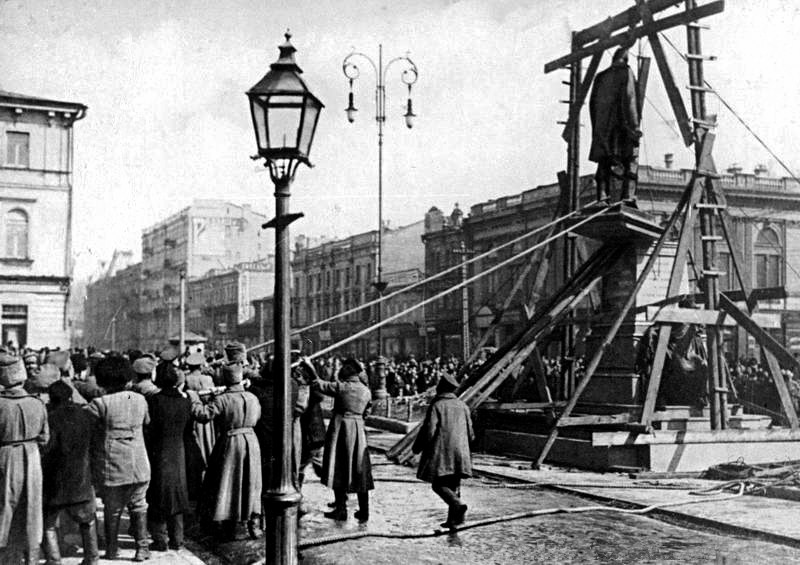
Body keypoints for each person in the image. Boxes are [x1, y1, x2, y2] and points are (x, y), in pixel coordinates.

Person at [84, 355, 151, 561]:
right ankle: (142, 548)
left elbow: (86, 427)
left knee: (113, 509)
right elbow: (146, 422)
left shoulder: (99, 403)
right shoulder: (138, 398)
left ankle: (112, 549)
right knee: (139, 504)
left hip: (112, 464)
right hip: (139, 462)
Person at [189, 362, 262, 540]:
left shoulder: (222, 399)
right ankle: (253, 521)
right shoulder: (252, 397)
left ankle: (228, 523)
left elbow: (203, 416)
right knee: (250, 480)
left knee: (228, 481)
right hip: (251, 441)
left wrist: (194, 399)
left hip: (231, 441)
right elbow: (258, 416)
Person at [41, 379, 99, 565]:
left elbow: (48, 448)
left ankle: (54, 560)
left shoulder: (50, 417)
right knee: (87, 520)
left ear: (52, 398)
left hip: (56, 478)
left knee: (49, 523)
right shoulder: (86, 415)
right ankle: (92, 558)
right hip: (81, 475)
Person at [311, 357, 374, 522]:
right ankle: (364, 511)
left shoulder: (341, 387)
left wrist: (309, 366)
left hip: (340, 429)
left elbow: (318, 384)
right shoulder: (366, 390)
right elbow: (368, 412)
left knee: (337, 467)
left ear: (346, 371)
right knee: (361, 471)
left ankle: (341, 510)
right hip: (359, 430)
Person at [0, 353, 49, 564]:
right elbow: (45, 438)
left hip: (5, 456)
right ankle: (31, 557)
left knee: (5, 506)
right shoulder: (37, 403)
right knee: (31, 508)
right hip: (32, 457)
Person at [412, 372, 474, 528]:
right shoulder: (463, 406)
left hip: (444, 452)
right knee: (454, 485)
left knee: (438, 485)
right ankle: (454, 520)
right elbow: (471, 434)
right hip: (461, 453)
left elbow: (429, 431)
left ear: (441, 388)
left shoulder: (437, 406)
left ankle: (457, 505)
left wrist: (417, 448)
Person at [145, 363, 191, 551]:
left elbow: (149, 427)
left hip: (158, 451)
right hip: (178, 450)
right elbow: (188, 430)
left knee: (157, 493)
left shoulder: (154, 401)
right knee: (177, 493)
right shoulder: (185, 401)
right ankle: (177, 539)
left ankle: (159, 539)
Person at [589, 45, 641, 205]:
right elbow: (630, 97)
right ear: (625, 59)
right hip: (622, 127)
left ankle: (602, 197)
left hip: (602, 128)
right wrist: (634, 127)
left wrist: (597, 127)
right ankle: (627, 197)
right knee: (631, 159)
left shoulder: (600, 76)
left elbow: (591, 104)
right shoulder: (626, 72)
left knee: (604, 162)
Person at [183, 351, 216, 499]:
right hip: (206, 419)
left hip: (191, 418)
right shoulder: (208, 379)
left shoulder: (186, 379)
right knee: (207, 446)